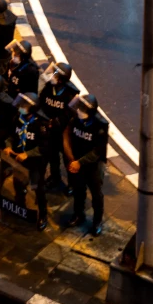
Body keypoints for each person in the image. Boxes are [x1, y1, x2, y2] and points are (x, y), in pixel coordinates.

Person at [61, 93, 108, 235]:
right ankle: (78, 215)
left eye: (82, 109)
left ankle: (97, 221)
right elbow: (67, 135)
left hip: (92, 166)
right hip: (76, 162)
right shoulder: (75, 120)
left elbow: (97, 152)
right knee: (78, 191)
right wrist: (72, 159)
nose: (79, 111)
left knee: (96, 195)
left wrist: (79, 162)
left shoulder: (100, 126)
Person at [4, 92, 53, 229]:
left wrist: (28, 154)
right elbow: (10, 136)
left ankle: (43, 215)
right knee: (18, 183)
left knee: (38, 188)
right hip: (19, 160)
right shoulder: (17, 119)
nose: (21, 107)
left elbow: (45, 147)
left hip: (36, 163)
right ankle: (20, 206)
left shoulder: (41, 125)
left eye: (24, 105)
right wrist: (8, 147)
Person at [37, 63, 77, 192]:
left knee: (68, 159)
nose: (51, 76)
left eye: (54, 74)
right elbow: (40, 101)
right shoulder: (49, 87)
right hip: (49, 131)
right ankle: (55, 178)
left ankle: (73, 184)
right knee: (52, 157)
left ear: (61, 79)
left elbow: (69, 114)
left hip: (64, 133)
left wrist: (56, 122)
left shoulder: (70, 95)